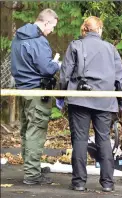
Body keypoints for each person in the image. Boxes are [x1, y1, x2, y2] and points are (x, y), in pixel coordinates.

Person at [58, 16, 122, 192]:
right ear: (100, 30)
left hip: (80, 99)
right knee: (103, 139)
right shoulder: (111, 49)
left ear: (85, 30)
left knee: (79, 140)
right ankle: (108, 183)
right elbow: (119, 79)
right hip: (104, 100)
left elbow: (65, 74)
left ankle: (79, 182)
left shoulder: (75, 46)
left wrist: (60, 94)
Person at [10, 9, 60, 185]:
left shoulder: (18, 38)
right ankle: (32, 174)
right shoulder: (39, 41)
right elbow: (46, 69)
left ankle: (31, 167)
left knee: (26, 130)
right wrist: (56, 64)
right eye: (52, 26)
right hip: (37, 91)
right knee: (36, 132)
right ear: (45, 23)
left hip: (21, 90)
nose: (52, 30)